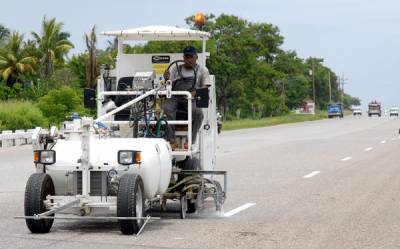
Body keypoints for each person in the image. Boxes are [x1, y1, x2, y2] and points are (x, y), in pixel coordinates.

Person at [162, 46, 211, 147]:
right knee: (166, 109)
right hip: (175, 96)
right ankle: (171, 141)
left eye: (190, 56)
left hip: (190, 97)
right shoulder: (176, 68)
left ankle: (190, 141)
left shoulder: (202, 70)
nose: (188, 59)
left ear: (196, 57)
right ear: (183, 57)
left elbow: (205, 87)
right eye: (186, 56)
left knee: (199, 114)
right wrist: (166, 78)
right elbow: (168, 83)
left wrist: (196, 92)